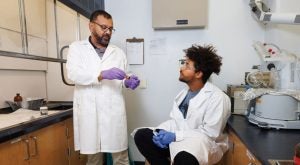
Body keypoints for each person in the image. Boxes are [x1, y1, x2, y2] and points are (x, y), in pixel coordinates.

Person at [134, 45, 231, 165]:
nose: (181, 68)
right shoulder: (183, 94)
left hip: (202, 146)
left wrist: (175, 136)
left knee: (184, 158)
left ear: (198, 73)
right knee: (142, 136)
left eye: (187, 65)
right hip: (180, 140)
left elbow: (209, 134)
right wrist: (161, 131)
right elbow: (176, 121)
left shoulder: (217, 98)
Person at [66, 10, 140, 165]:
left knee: (121, 158)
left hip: (113, 113)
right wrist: (101, 74)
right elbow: (73, 74)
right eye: (103, 27)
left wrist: (128, 81)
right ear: (91, 26)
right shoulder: (77, 48)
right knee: (94, 159)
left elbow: (125, 76)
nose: (108, 32)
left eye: (111, 29)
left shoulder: (118, 53)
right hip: (89, 113)